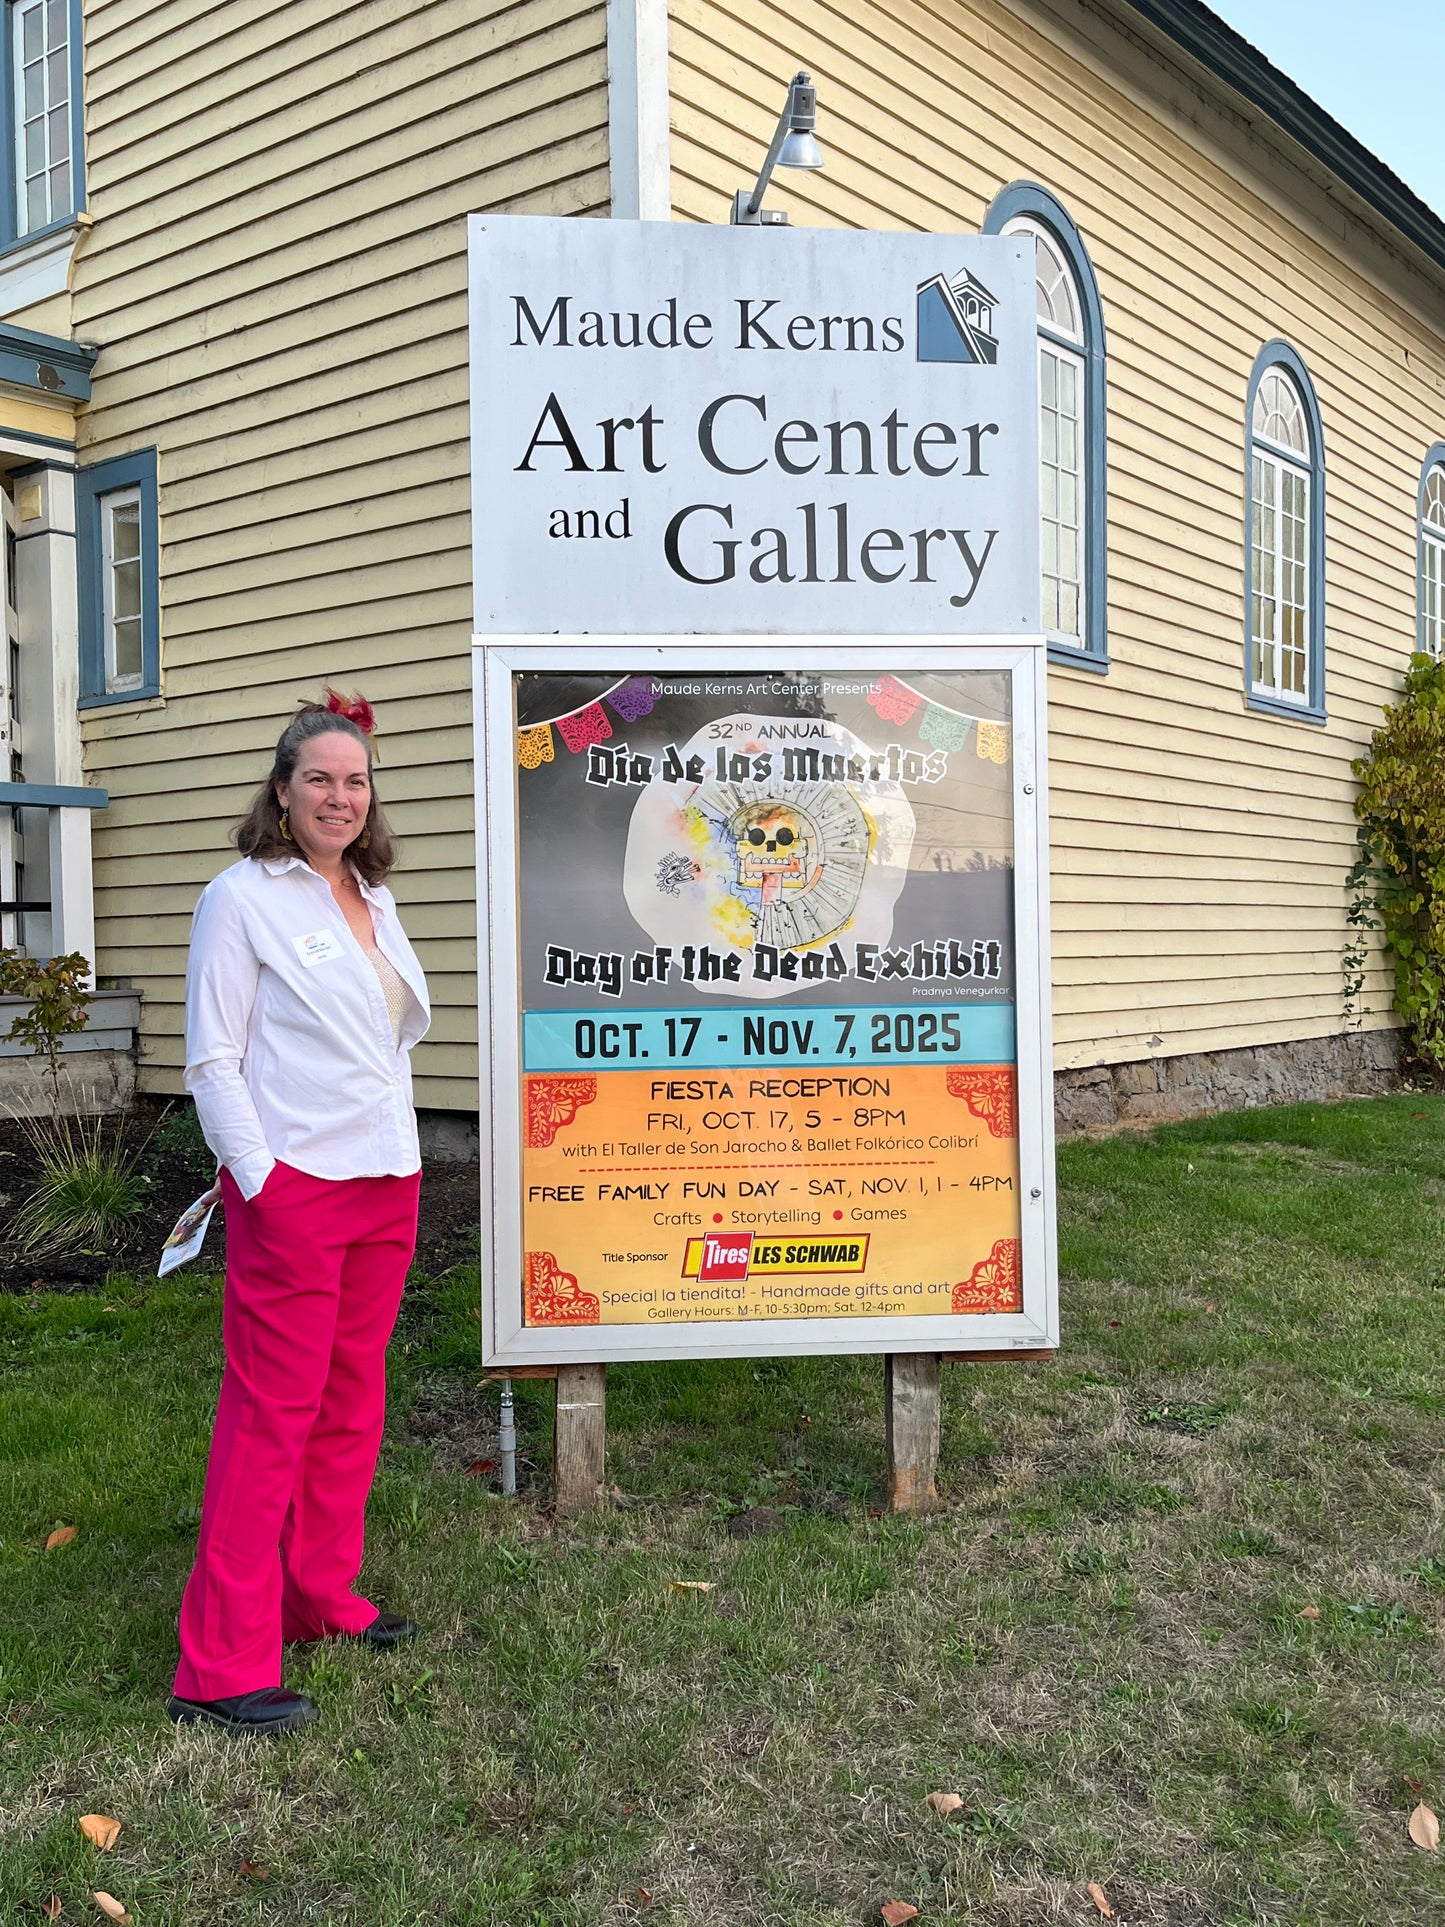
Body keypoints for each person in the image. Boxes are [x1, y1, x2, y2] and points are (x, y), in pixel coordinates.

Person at [168, 692, 431, 1737]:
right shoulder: (242, 897)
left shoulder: (373, 892)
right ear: (280, 792)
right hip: (295, 1188)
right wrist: (260, 1180)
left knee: (349, 1400)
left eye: (354, 780)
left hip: (385, 1178)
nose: (338, 795)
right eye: (318, 778)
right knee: (268, 1415)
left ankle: (319, 1597)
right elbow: (212, 1058)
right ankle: (219, 1665)